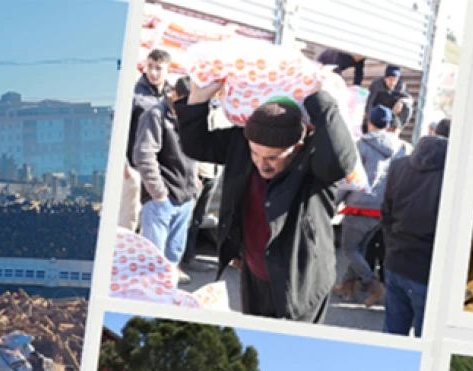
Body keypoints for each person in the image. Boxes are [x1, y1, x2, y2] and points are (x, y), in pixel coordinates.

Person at [176, 79, 360, 322]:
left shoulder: (313, 160)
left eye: (273, 157)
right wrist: (198, 100)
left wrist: (320, 100)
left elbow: (341, 164)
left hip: (301, 283)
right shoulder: (241, 143)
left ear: (297, 146)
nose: (262, 164)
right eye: (255, 153)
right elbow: (196, 145)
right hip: (254, 276)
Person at [379, 118, 450, 336]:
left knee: (392, 335)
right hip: (425, 271)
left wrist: (392, 246)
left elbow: (386, 213)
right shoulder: (450, 176)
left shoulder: (399, 165)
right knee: (424, 344)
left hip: (396, 261)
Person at [335, 105, 405, 308]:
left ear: (370, 122)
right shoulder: (400, 148)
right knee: (360, 248)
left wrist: (336, 200)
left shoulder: (361, 145)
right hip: (382, 208)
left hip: (359, 205)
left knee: (350, 248)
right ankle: (347, 287)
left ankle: (373, 285)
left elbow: (351, 178)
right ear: (389, 124)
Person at [133, 76, 199, 283]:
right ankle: (150, 291)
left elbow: (193, 152)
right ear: (174, 94)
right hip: (162, 197)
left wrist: (195, 183)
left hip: (185, 195)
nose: (190, 108)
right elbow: (144, 155)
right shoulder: (155, 114)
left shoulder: (192, 115)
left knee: (174, 251)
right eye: (185, 102)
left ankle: (169, 283)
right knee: (153, 256)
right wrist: (158, 192)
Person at [121, 49, 172, 231]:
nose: (153, 72)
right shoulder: (134, 94)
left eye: (158, 68)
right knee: (129, 219)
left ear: (168, 70)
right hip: (134, 168)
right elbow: (120, 128)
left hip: (158, 171)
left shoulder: (171, 96)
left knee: (152, 222)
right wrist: (125, 164)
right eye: (150, 67)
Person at [363, 66, 413, 134]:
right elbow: (369, 103)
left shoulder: (401, 86)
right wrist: (370, 121)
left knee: (408, 107)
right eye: (390, 79)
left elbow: (410, 100)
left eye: (394, 80)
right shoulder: (376, 84)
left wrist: (401, 101)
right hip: (378, 112)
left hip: (392, 112)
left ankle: (396, 130)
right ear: (385, 78)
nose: (392, 82)